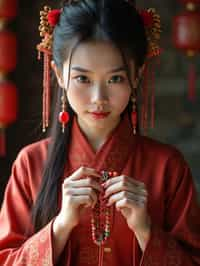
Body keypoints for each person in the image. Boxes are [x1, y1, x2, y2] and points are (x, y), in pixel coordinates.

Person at [0, 0, 200, 265]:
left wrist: (145, 229)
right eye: (83, 78)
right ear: (59, 74)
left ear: (137, 74)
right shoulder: (31, 164)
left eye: (115, 78)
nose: (99, 98)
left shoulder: (167, 167)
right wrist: (60, 226)